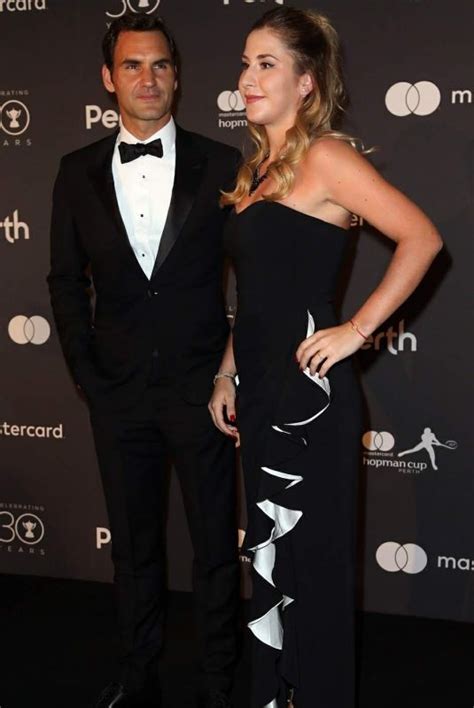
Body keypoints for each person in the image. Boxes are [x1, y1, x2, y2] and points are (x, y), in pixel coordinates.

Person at [209, 7, 443, 708]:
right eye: (246, 63)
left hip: (310, 401)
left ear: (306, 83)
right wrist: (228, 369)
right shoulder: (258, 169)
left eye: (266, 65)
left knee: (314, 574)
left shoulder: (325, 158)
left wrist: (359, 329)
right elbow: (258, 298)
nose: (247, 78)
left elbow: (423, 238)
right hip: (263, 393)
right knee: (277, 573)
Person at [48, 13, 240, 708]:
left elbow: (254, 275)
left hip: (202, 391)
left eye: (160, 64)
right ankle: (137, 674)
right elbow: (65, 281)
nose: (148, 78)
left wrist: (229, 368)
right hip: (118, 393)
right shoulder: (75, 173)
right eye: (132, 66)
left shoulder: (222, 163)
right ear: (108, 79)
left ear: (178, 75)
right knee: (133, 551)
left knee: (216, 547)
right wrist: (87, 373)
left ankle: (220, 681)